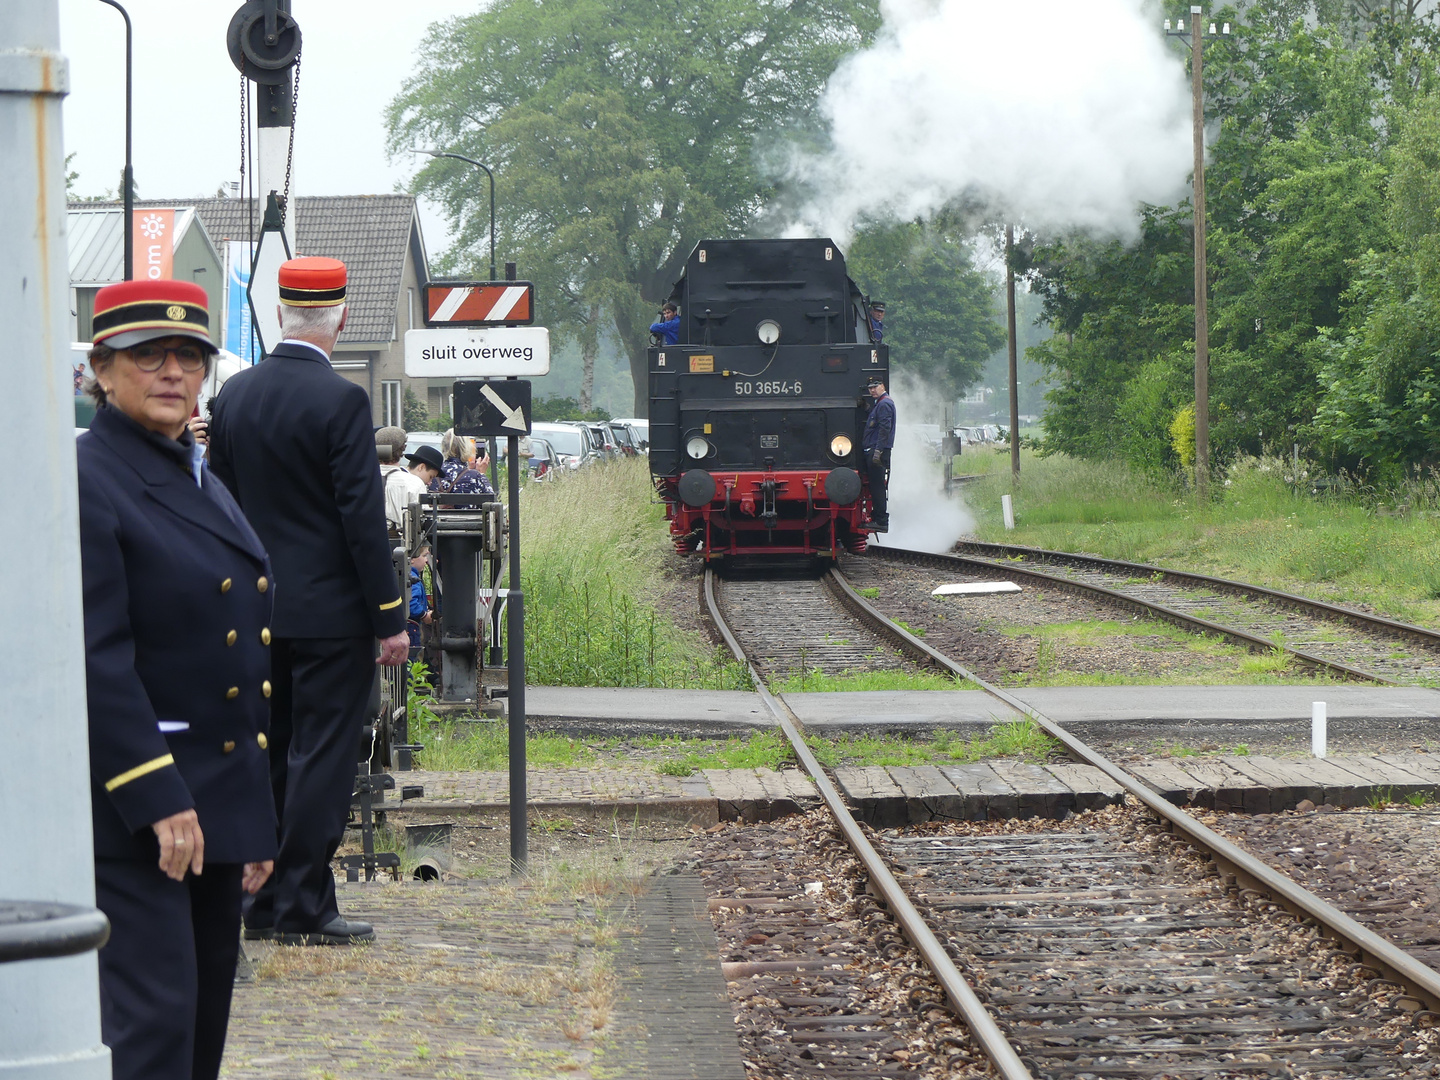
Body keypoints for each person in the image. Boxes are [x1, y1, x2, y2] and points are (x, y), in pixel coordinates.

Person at [76, 279, 277, 1080]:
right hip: (137, 809)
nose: (171, 372)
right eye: (147, 356)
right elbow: (96, 653)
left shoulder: (198, 474)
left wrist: (252, 823)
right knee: (153, 1026)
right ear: (103, 369)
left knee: (201, 1026)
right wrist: (156, 795)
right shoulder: (90, 477)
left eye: (188, 356)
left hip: (214, 805)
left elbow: (239, 664)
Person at [208, 257, 408, 947]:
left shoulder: (235, 396)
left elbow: (220, 509)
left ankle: (258, 904)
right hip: (330, 618)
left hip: (253, 613)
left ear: (281, 314)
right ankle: (304, 903)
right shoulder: (342, 401)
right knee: (322, 758)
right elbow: (360, 516)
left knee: (267, 754)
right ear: (342, 318)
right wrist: (390, 616)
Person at [861, 376, 895, 532]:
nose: (872, 390)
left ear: (882, 386)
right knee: (876, 485)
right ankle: (877, 517)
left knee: (877, 486)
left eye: (875, 387)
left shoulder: (884, 404)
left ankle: (881, 520)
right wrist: (867, 408)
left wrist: (878, 451)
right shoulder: (879, 405)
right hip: (875, 449)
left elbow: (884, 429)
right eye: (870, 388)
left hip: (877, 451)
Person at [377, 426, 427, 534]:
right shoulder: (414, 483)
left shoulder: (360, 481)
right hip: (404, 546)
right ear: (403, 448)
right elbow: (423, 522)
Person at [431, 430, 495, 496]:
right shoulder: (475, 477)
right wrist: (481, 474)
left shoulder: (433, 474)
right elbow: (492, 501)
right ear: (466, 448)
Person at [406, 544, 433, 656]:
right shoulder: (413, 579)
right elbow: (411, 603)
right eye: (424, 555)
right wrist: (424, 615)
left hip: (409, 625)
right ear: (412, 559)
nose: (427, 560)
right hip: (412, 626)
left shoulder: (410, 575)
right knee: (412, 655)